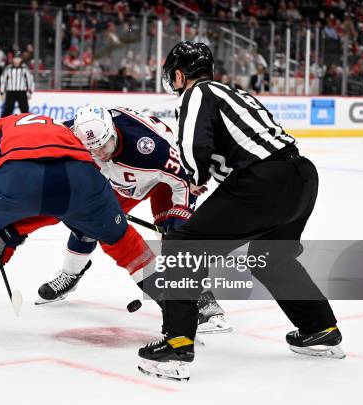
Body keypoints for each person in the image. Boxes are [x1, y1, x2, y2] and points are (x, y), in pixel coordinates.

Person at [136, 41, 343, 381]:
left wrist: (194, 175)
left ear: (178, 73)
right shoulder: (234, 94)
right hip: (301, 176)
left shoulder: (197, 93)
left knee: (182, 246)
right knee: (270, 257)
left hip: (263, 181)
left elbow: (194, 146)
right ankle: (320, 329)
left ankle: (176, 345)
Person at [0, 112, 155, 342]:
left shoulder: (1, 126)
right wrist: (10, 233)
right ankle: (183, 305)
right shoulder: (65, 131)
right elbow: (55, 204)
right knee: (127, 244)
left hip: (18, 176)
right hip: (84, 181)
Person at [35, 104, 231, 333]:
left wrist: (180, 221)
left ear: (113, 132)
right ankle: (70, 275)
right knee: (87, 222)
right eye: (93, 150)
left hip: (163, 182)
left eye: (104, 146)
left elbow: (182, 182)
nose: (100, 154)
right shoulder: (74, 133)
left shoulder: (148, 148)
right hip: (123, 184)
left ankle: (204, 303)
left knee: (176, 239)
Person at [0, 51, 34, 117]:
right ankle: (2, 125)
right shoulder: (8, 68)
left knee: (25, 110)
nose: (17, 60)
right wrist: (2, 92)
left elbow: (30, 80)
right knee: (7, 111)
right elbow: (3, 80)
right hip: (10, 91)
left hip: (22, 92)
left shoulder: (24, 68)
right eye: (15, 58)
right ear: (13, 59)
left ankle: (27, 125)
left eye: (18, 58)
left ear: (21, 59)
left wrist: (30, 92)